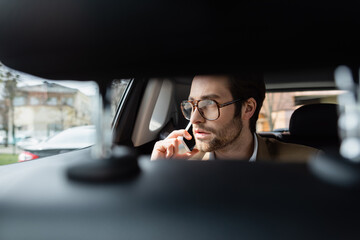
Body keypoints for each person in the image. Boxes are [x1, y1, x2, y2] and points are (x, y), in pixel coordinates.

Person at [151, 74, 319, 162]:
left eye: (209, 104)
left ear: (248, 108)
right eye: (192, 105)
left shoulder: (306, 163)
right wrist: (160, 174)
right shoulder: (179, 167)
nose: (194, 119)